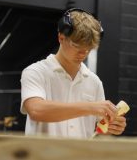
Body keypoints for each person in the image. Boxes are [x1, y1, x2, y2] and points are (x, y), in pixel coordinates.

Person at [20, 8, 126, 138]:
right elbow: (36, 110)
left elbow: (98, 133)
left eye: (88, 49)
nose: (83, 54)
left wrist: (111, 128)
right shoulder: (36, 72)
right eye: (77, 46)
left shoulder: (94, 81)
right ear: (61, 37)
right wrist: (89, 107)